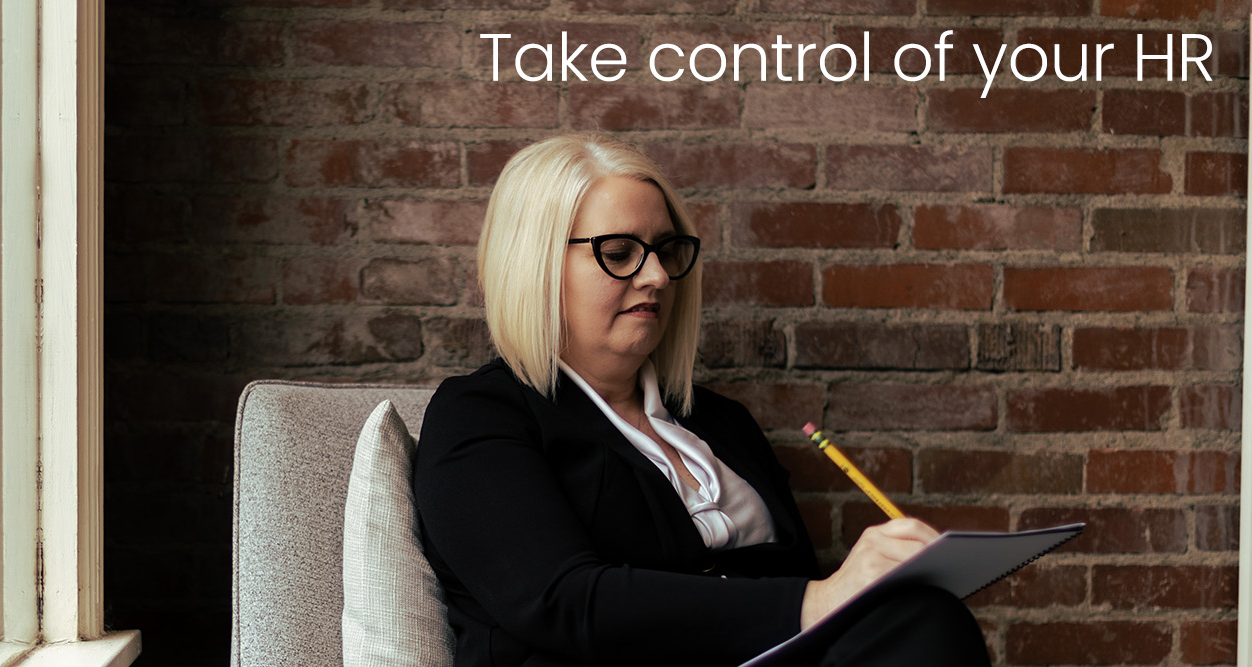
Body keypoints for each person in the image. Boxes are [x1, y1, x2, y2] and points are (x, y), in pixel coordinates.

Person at [412, 134, 993, 667]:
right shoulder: (480, 416)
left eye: (666, 250)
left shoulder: (720, 422)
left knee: (924, 618)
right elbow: (561, 601)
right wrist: (816, 601)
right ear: (532, 263)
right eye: (618, 252)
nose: (659, 277)